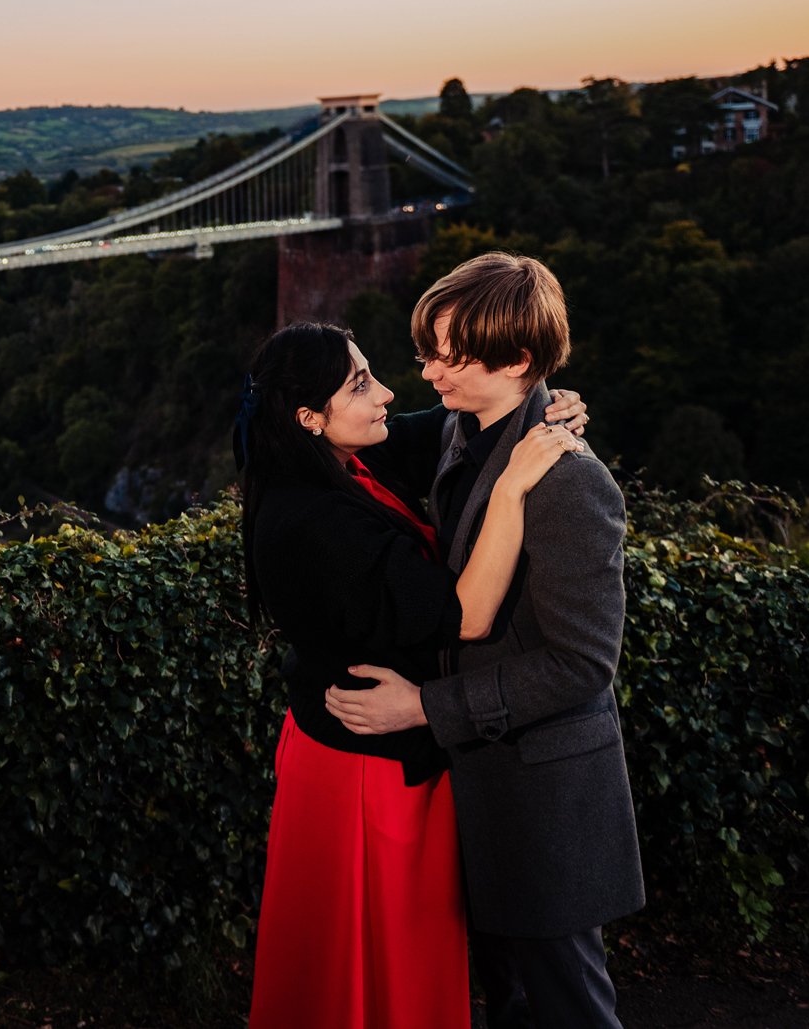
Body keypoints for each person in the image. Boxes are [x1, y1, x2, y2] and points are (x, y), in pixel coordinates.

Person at [238, 321, 587, 1029]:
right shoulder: (308, 520)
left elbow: (451, 421)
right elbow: (464, 615)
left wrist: (543, 404)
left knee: (384, 961)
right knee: (375, 966)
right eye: (361, 383)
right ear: (309, 416)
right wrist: (516, 485)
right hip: (367, 771)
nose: (387, 391)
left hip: (378, 754)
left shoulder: (337, 456)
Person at [330, 252, 646, 1029]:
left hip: (544, 800)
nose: (429, 372)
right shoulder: (458, 431)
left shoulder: (570, 479)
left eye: (450, 354)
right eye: (429, 349)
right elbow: (309, 439)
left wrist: (426, 709)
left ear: (518, 360)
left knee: (567, 1005)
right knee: (509, 1005)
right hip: (480, 787)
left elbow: (582, 664)